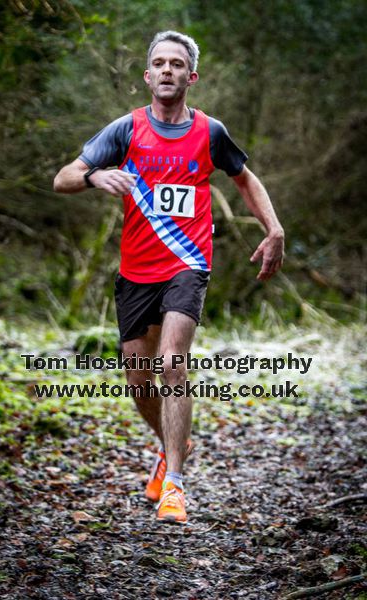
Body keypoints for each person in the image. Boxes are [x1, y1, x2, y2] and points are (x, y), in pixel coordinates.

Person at [53, 30, 284, 524]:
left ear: (190, 76)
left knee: (172, 362)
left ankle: (175, 486)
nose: (166, 70)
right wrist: (95, 176)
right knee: (140, 380)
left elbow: (244, 176)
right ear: (146, 75)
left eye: (176, 64)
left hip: (188, 263)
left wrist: (275, 229)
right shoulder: (125, 129)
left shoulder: (210, 132)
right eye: (158, 63)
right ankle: (170, 444)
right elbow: (63, 177)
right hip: (136, 269)